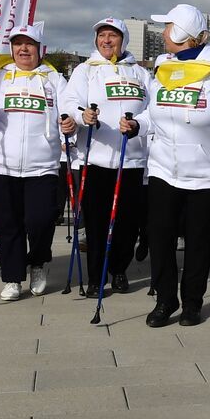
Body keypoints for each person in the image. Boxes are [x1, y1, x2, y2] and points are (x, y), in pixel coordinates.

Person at [119, 4, 210, 326]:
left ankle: (192, 301)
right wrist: (137, 124)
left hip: (208, 172)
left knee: (198, 240)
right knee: (160, 235)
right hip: (165, 167)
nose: (163, 33)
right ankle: (166, 299)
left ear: (181, 33)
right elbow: (155, 111)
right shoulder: (163, 66)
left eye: (167, 27)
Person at [0, 23, 75, 301]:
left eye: (29, 44)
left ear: (40, 49)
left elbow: (70, 110)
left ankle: (38, 263)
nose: (23, 49)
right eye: (18, 44)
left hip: (43, 165)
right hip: (1, 164)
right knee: (7, 223)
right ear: (12, 49)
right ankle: (13, 278)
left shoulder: (53, 79)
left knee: (40, 220)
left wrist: (71, 123)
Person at [64, 18, 151, 294]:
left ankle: (119, 269)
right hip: (96, 159)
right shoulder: (85, 70)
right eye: (102, 36)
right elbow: (69, 102)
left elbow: (155, 107)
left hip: (132, 160)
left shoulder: (139, 72)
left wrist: (138, 124)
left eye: (112, 36)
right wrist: (82, 115)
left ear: (122, 40)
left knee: (128, 222)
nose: (106, 41)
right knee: (97, 221)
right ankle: (95, 276)